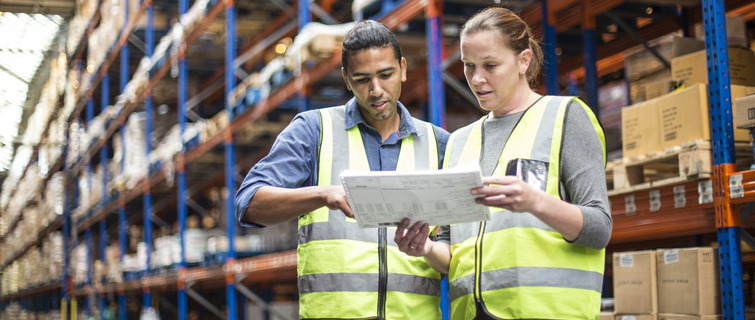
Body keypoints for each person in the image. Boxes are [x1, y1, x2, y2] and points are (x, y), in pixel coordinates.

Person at [394, 7, 612, 320]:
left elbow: (599, 229)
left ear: (523, 61)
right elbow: (451, 250)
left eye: (490, 65)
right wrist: (426, 249)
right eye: (469, 66)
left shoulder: (565, 118)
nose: (477, 79)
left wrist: (536, 202)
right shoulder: (460, 142)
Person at [235, 20, 450, 320]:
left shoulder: (439, 144)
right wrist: (323, 195)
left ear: (403, 68)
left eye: (386, 75)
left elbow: (457, 254)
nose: (376, 90)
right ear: (346, 79)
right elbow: (249, 202)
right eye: (362, 79)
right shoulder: (314, 131)